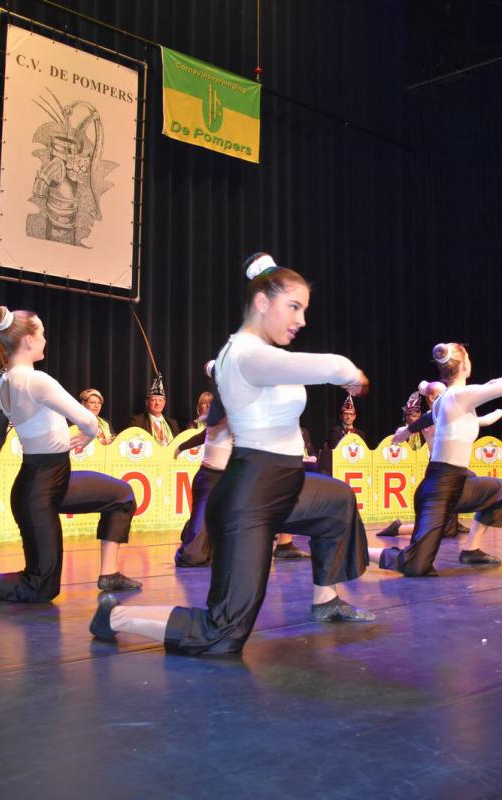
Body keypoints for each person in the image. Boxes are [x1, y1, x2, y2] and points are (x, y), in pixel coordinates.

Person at [91, 252, 374, 655]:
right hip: (250, 496)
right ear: (262, 303)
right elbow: (335, 366)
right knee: (224, 632)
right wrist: (353, 376)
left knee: (337, 501)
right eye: (294, 307)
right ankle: (114, 616)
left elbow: (229, 389)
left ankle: (325, 600)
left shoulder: (256, 354)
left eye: (304, 309)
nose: (301, 320)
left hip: (285, 485)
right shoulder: (247, 353)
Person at [0, 306, 140, 603]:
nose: (45, 339)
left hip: (51, 481)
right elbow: (87, 419)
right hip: (38, 492)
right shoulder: (37, 381)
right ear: (29, 340)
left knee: (121, 496)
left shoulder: (4, 383)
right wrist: (89, 433)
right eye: (41, 333)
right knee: (41, 586)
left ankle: (109, 574)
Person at [370, 343, 502, 576]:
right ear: (464, 364)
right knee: (417, 565)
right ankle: (356, 549)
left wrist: (406, 431)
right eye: (468, 357)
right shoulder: (461, 395)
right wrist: (491, 384)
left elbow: (428, 417)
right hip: (438, 488)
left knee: (501, 489)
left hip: (460, 483)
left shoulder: (447, 400)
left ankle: (471, 549)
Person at [173, 361, 307, 568]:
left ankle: (207, 533)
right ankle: (193, 530)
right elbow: (210, 367)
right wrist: (181, 446)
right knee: (193, 556)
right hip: (208, 478)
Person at [378, 382, 502, 540]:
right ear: (432, 397)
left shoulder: (446, 413)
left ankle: (452, 521)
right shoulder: (433, 417)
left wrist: (498, 412)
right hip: (439, 469)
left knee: (466, 489)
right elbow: (425, 419)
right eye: (443, 394)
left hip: (453, 467)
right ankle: (399, 528)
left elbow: (482, 421)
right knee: (445, 529)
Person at [128, 376, 179, 445]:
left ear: (164, 403)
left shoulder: (172, 423)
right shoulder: (137, 421)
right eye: (153, 400)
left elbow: (178, 444)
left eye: (160, 400)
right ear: (147, 402)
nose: (157, 403)